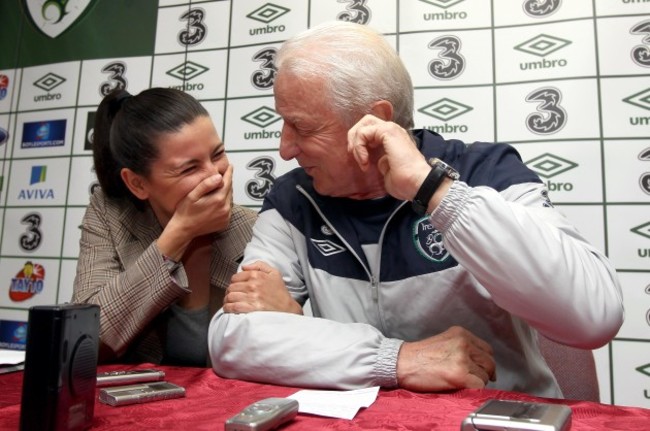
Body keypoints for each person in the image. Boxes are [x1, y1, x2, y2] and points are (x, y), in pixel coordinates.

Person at [208, 22, 624, 397]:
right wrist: (396, 359)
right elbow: (232, 339)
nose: (284, 148)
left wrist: (435, 192)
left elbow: (593, 316)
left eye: (302, 127)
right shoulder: (292, 199)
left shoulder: (488, 171)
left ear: (372, 121)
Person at [72, 87, 257, 366]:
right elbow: (86, 341)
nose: (215, 177)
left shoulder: (254, 229)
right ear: (137, 183)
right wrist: (179, 233)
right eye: (189, 168)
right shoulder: (109, 214)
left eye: (217, 155)